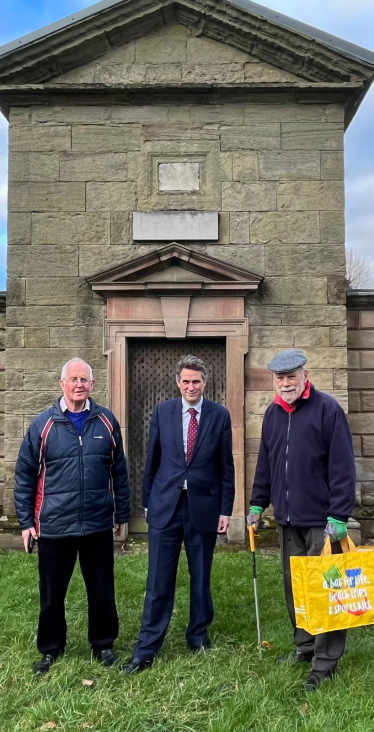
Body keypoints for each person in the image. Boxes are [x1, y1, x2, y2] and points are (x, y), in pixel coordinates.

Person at [247, 349, 356, 691]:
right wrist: (257, 503)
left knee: (326, 592)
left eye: (291, 377)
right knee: (296, 590)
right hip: (287, 521)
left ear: (304, 376)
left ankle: (325, 664)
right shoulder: (273, 413)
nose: (285, 383)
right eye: (280, 378)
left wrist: (339, 514)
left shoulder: (328, 410)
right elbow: (266, 462)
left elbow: (342, 467)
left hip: (323, 523)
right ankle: (305, 647)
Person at [14, 357, 130, 676]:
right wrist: (26, 522)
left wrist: (123, 510)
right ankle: (51, 649)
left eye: (84, 380)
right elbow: (25, 475)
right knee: (52, 594)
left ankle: (103, 644)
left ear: (93, 385)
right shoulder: (43, 425)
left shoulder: (106, 421)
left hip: (96, 523)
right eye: (73, 379)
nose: (78, 385)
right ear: (62, 384)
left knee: (102, 590)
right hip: (54, 526)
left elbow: (119, 470)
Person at [123, 354, 235, 673]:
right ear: (177, 382)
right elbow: (152, 460)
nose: (190, 386)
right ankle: (147, 646)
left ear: (205, 383)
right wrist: (147, 501)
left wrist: (226, 509)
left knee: (201, 578)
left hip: (204, 507)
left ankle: (198, 636)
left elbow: (226, 466)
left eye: (196, 381)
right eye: (185, 381)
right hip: (165, 506)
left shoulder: (219, 416)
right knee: (159, 579)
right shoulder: (163, 412)